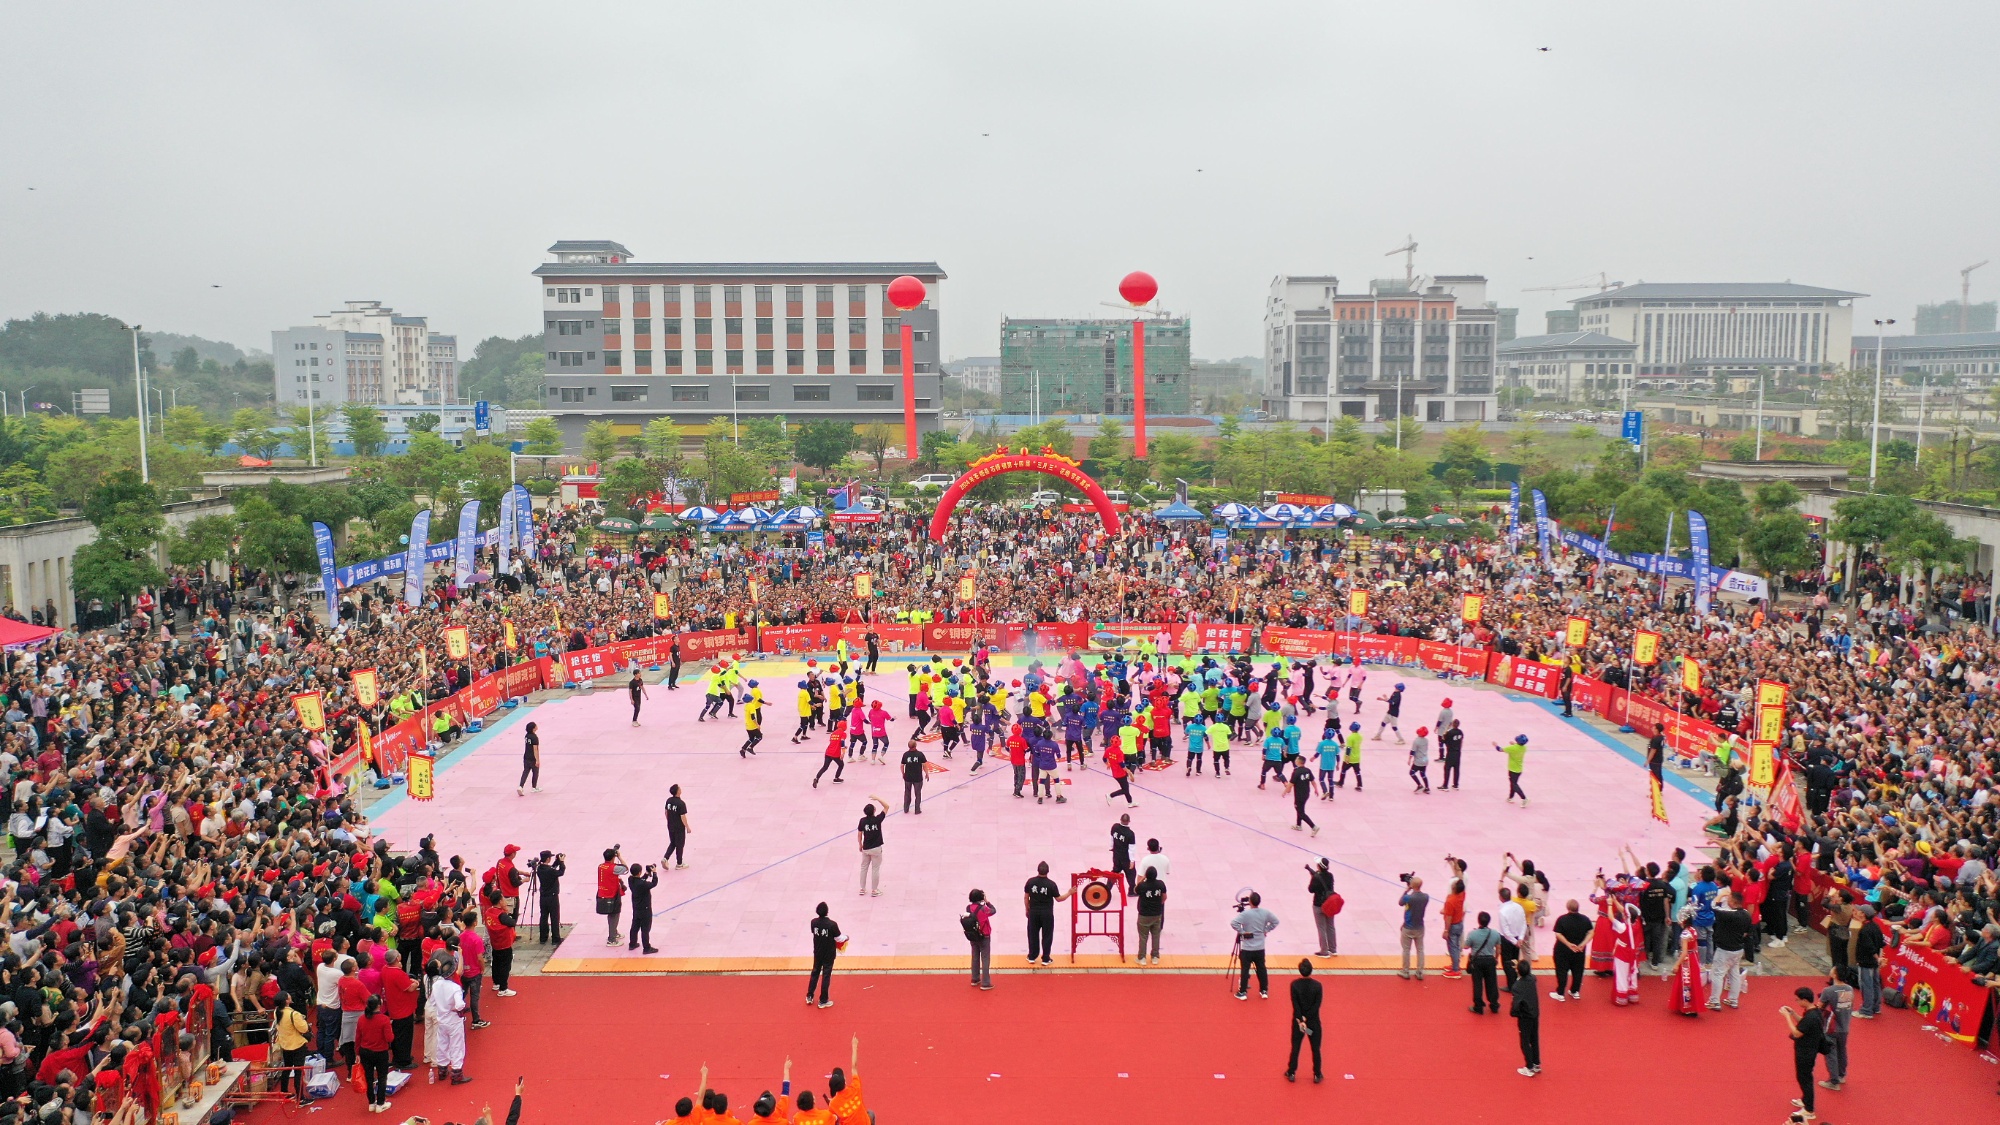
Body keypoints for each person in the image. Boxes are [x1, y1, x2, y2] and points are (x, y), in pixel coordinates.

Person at [1781, 986, 1827, 1119]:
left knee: (1804, 1078)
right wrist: (1793, 1013)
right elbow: (1804, 1023)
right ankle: (1806, 1100)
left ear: (1805, 1000)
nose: (1796, 1002)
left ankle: (1809, 1109)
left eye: (1797, 1000)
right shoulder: (1814, 1011)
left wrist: (1787, 1017)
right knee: (1804, 1077)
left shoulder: (1811, 1016)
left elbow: (1797, 1032)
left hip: (1806, 1051)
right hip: (1809, 1049)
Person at [427, 958, 471, 1085]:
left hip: (441, 1019)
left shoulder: (436, 985)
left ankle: (442, 1070)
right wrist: (455, 1008)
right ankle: (456, 1073)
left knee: (442, 1044)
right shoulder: (455, 987)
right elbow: (460, 1005)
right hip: (454, 1020)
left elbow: (432, 1002)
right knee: (456, 1046)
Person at [1707, 891, 1754, 1009]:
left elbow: (1713, 906)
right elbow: (1747, 932)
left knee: (1717, 974)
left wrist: (1721, 895)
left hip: (1724, 949)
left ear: (1733, 902)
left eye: (1729, 899)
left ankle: (1714, 1001)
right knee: (1734, 974)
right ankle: (1733, 1000)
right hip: (1738, 948)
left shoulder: (1728, 914)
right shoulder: (1747, 914)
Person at [1231, 891, 1279, 1000]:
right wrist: (1266, 930)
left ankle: (1243, 992)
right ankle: (1264, 990)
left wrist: (1242, 932)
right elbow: (1275, 921)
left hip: (1247, 948)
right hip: (1260, 947)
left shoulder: (1245, 914)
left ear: (1250, 902)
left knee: (1245, 969)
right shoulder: (1265, 912)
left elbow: (1233, 923)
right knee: (1261, 968)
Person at [1023, 861, 1071, 967]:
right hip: (1047, 914)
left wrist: (1027, 909)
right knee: (1047, 935)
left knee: (1032, 934)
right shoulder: (1051, 884)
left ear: (1038, 870)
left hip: (1033, 912)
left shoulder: (1030, 882)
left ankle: (1032, 956)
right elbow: (1059, 899)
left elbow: (1026, 897)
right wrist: (1069, 893)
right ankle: (1045, 958)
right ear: (1048, 871)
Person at [1284, 959, 1324, 1084]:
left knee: (1296, 1047)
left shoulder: (1294, 985)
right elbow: (1317, 1005)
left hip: (1299, 1023)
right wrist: (1307, 1018)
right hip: (1313, 1023)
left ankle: (1291, 1072)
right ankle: (1317, 1073)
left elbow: (1295, 1004)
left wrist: (1301, 1020)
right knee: (1315, 1048)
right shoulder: (1318, 986)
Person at [356, 994, 395, 1113]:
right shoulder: (384, 1019)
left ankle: (371, 1102)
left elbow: (358, 1037)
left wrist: (357, 1053)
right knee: (382, 1077)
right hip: (380, 1052)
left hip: (365, 1052)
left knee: (368, 1078)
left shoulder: (361, 1019)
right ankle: (380, 1103)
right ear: (379, 1005)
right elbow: (389, 1038)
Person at [1819, 968, 1854, 1091]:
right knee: (1842, 1050)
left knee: (1830, 1053)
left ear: (1835, 974)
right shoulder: (1849, 989)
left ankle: (1833, 1081)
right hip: (1845, 1026)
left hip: (1831, 1027)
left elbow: (1820, 1007)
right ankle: (1841, 1075)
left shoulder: (1828, 991)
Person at [1550, 899, 1591, 1003]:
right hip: (1579, 950)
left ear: (1567, 908)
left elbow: (1558, 934)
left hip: (1563, 950)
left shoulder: (1562, 919)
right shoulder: (1585, 919)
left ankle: (1560, 993)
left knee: (1562, 971)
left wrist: (1568, 944)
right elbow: (1591, 932)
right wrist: (1583, 944)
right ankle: (1575, 991)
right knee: (1578, 971)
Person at [1465, 911, 1502, 1014]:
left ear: (1478, 921)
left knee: (1477, 984)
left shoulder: (1472, 934)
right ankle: (1494, 1005)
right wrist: (1496, 958)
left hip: (1477, 961)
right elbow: (1498, 948)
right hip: (1490, 960)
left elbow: (1466, 946)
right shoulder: (1495, 934)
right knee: (1492, 983)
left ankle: (1478, 1006)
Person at [1510, 958, 1541, 1077]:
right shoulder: (1532, 979)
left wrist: (1514, 1013)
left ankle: (1529, 1067)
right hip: (1535, 1014)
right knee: (1534, 1039)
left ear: (1518, 971)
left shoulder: (1517, 986)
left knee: (1525, 1041)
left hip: (1525, 1017)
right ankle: (1536, 1063)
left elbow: (1516, 1004)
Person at [807, 902, 841, 1008]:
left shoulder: (813, 922)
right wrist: (847, 937)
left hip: (817, 952)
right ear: (827, 911)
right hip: (828, 954)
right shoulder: (832, 924)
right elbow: (838, 938)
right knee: (826, 976)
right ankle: (823, 1000)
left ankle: (809, 995)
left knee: (815, 973)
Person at [1397, 876, 1429, 980]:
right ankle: (1419, 972)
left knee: (1406, 949)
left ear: (1412, 885)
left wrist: (1407, 890)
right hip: (1419, 926)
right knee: (1420, 950)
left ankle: (1405, 971)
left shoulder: (1409, 898)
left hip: (1408, 927)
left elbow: (1400, 903)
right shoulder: (1426, 897)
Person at [1134, 866, 1167, 964]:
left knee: (1143, 937)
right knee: (1156, 936)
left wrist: (1142, 878)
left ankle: (1142, 958)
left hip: (1144, 915)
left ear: (1146, 875)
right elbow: (1164, 897)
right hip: (1157, 914)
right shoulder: (1161, 884)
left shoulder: (1142, 886)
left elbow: (1135, 890)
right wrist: (1158, 905)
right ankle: (1155, 957)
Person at [964, 889, 995, 990]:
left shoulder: (968, 908)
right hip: (984, 935)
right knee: (985, 958)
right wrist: (987, 902)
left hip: (973, 935)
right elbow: (993, 911)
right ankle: (985, 982)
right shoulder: (983, 908)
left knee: (975, 956)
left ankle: (975, 978)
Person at [857, 797, 888, 896]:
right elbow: (886, 806)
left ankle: (862, 889)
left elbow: (859, 834)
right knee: (875, 869)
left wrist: (860, 844)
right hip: (876, 848)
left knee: (864, 868)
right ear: (874, 811)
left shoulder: (862, 821)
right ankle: (874, 890)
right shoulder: (878, 819)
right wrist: (878, 798)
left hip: (866, 848)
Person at [1306, 858, 1338, 957]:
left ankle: (1324, 951)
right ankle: (1333, 949)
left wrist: (1313, 877)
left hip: (1318, 905)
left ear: (1319, 866)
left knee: (1321, 928)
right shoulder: (1330, 876)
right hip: (1329, 904)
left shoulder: (1316, 877)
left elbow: (1310, 889)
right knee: (1331, 927)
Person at [596, 846, 627, 946]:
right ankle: (612, 939)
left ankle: (614, 932)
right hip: (612, 894)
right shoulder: (614, 868)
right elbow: (626, 869)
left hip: (603, 893)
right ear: (613, 857)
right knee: (614, 915)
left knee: (611, 915)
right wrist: (620, 857)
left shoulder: (601, 866)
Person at [533, 851, 565, 945]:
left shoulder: (539, 868)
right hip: (552, 897)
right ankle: (555, 938)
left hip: (543, 896)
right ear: (548, 859)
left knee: (543, 916)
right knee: (554, 917)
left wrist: (556, 862)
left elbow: (551, 869)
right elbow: (560, 872)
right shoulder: (550, 871)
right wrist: (561, 862)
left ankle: (543, 937)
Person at [627, 862, 659, 953]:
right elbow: (654, 883)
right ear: (639, 872)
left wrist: (646, 874)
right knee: (645, 929)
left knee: (635, 926)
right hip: (645, 908)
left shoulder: (630, 879)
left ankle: (632, 943)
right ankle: (646, 948)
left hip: (636, 907)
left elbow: (640, 880)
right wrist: (654, 873)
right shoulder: (643, 884)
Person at [1288, 755, 1319, 836]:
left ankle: (1313, 827)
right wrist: (1316, 789)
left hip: (1299, 795)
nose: (1295, 760)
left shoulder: (1296, 772)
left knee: (1300, 811)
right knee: (1300, 808)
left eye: (1296, 759)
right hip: (1306, 793)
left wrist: (1285, 791)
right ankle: (1298, 825)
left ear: (1299, 762)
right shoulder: (1308, 770)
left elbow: (1291, 783)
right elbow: (1313, 781)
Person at [1496, 734, 1529, 804]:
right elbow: (1518, 747)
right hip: (1519, 769)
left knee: (1514, 784)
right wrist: (1513, 744)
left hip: (1513, 769)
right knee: (1513, 783)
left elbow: (1500, 749)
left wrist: (1495, 745)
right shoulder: (1524, 748)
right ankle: (1510, 798)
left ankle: (1524, 798)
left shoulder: (1512, 748)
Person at [663, 784, 690, 868]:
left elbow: (666, 812)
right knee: (680, 845)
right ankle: (679, 863)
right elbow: (682, 816)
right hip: (679, 827)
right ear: (678, 791)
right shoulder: (681, 803)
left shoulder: (668, 801)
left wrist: (669, 821)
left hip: (670, 825)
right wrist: (687, 827)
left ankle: (665, 858)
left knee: (673, 843)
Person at [900, 737, 928, 814]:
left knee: (907, 793)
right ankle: (917, 810)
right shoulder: (920, 754)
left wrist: (903, 774)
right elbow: (924, 765)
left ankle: (906, 809)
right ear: (915, 745)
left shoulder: (905, 754)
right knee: (918, 794)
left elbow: (902, 765)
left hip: (908, 777)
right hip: (917, 778)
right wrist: (927, 773)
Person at [1438, 718, 1464, 790]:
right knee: (1456, 769)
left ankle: (1445, 785)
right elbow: (1461, 741)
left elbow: (1442, 740)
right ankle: (1456, 785)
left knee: (1447, 768)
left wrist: (1445, 732)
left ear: (1452, 724)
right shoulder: (1460, 732)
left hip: (1450, 753)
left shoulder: (1449, 733)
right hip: (1458, 753)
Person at [517, 721, 541, 796]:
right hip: (532, 758)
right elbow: (535, 749)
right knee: (535, 772)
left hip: (526, 756)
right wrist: (537, 760)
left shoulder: (527, 736)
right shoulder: (534, 737)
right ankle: (534, 787)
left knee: (525, 772)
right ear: (533, 728)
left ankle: (521, 786)